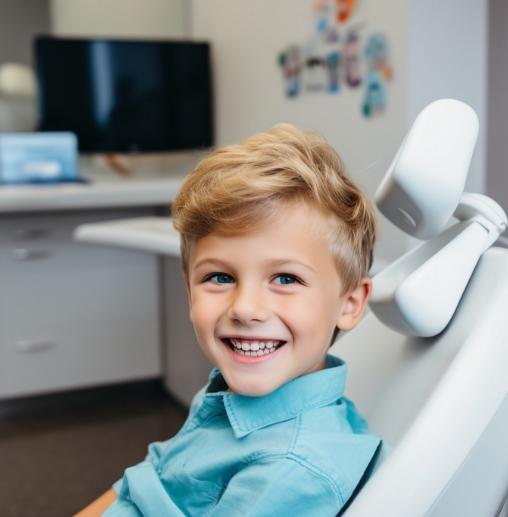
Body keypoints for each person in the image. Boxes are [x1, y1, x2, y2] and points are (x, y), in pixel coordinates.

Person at [78, 124, 381, 517]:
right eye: (219, 277)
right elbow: (150, 476)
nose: (245, 308)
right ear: (190, 293)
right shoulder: (227, 392)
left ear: (350, 303)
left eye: (286, 278)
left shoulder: (291, 471)